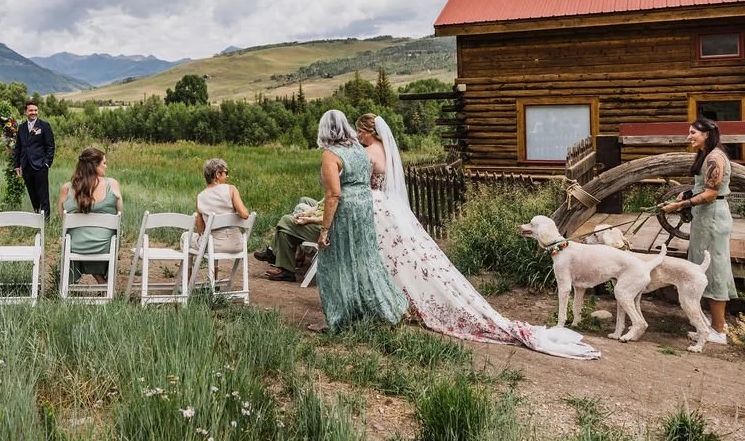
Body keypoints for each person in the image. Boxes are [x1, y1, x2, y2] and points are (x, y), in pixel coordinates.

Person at [354, 113, 600, 359]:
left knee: (389, 257)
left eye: (360, 131)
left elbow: (358, 182)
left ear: (369, 131)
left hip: (376, 209)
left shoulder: (367, 153)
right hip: (390, 209)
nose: (357, 136)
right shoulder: (388, 152)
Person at [314, 110, 406, 331]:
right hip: (365, 207)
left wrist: (324, 230)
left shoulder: (330, 154)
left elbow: (334, 194)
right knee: (366, 258)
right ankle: (388, 308)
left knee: (334, 263)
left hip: (346, 210)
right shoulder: (357, 148)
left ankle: (340, 318)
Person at [661, 117, 737, 344]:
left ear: (706, 134)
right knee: (702, 267)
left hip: (713, 218)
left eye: (693, 132)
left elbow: (711, 193)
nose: (689, 136)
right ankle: (710, 325)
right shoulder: (706, 155)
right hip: (704, 217)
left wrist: (680, 206)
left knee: (713, 269)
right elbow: (702, 188)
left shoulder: (715, 157)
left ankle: (719, 330)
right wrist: (686, 194)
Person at [59, 147, 122, 285]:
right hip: (104, 245)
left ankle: (99, 281)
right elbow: (119, 215)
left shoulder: (67, 188)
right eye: (104, 163)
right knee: (107, 237)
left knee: (77, 237)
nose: (106, 166)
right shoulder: (112, 184)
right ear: (95, 165)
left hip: (75, 245)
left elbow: (62, 219)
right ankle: (104, 283)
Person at [254, 197, 323, 282]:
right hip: (325, 221)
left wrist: (309, 219)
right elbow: (321, 205)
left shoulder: (334, 195)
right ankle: (287, 270)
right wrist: (304, 214)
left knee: (286, 221)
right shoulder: (333, 194)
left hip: (327, 230)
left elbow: (328, 216)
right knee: (285, 230)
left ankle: (274, 253)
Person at [193, 158, 250, 253]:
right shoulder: (231, 189)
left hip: (213, 246)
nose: (227, 176)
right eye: (226, 173)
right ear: (218, 174)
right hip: (238, 244)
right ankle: (213, 264)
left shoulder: (200, 197)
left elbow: (200, 231)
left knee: (185, 237)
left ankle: (192, 263)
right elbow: (244, 214)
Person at [14, 101, 56, 218]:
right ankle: (37, 218)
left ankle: (45, 221)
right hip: (26, 166)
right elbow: (18, 148)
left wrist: (47, 163)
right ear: (25, 112)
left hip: (40, 166)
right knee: (33, 195)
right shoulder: (21, 128)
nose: (34, 112)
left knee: (43, 196)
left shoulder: (44, 125)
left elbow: (50, 146)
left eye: (35, 110)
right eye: (31, 110)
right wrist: (17, 165)